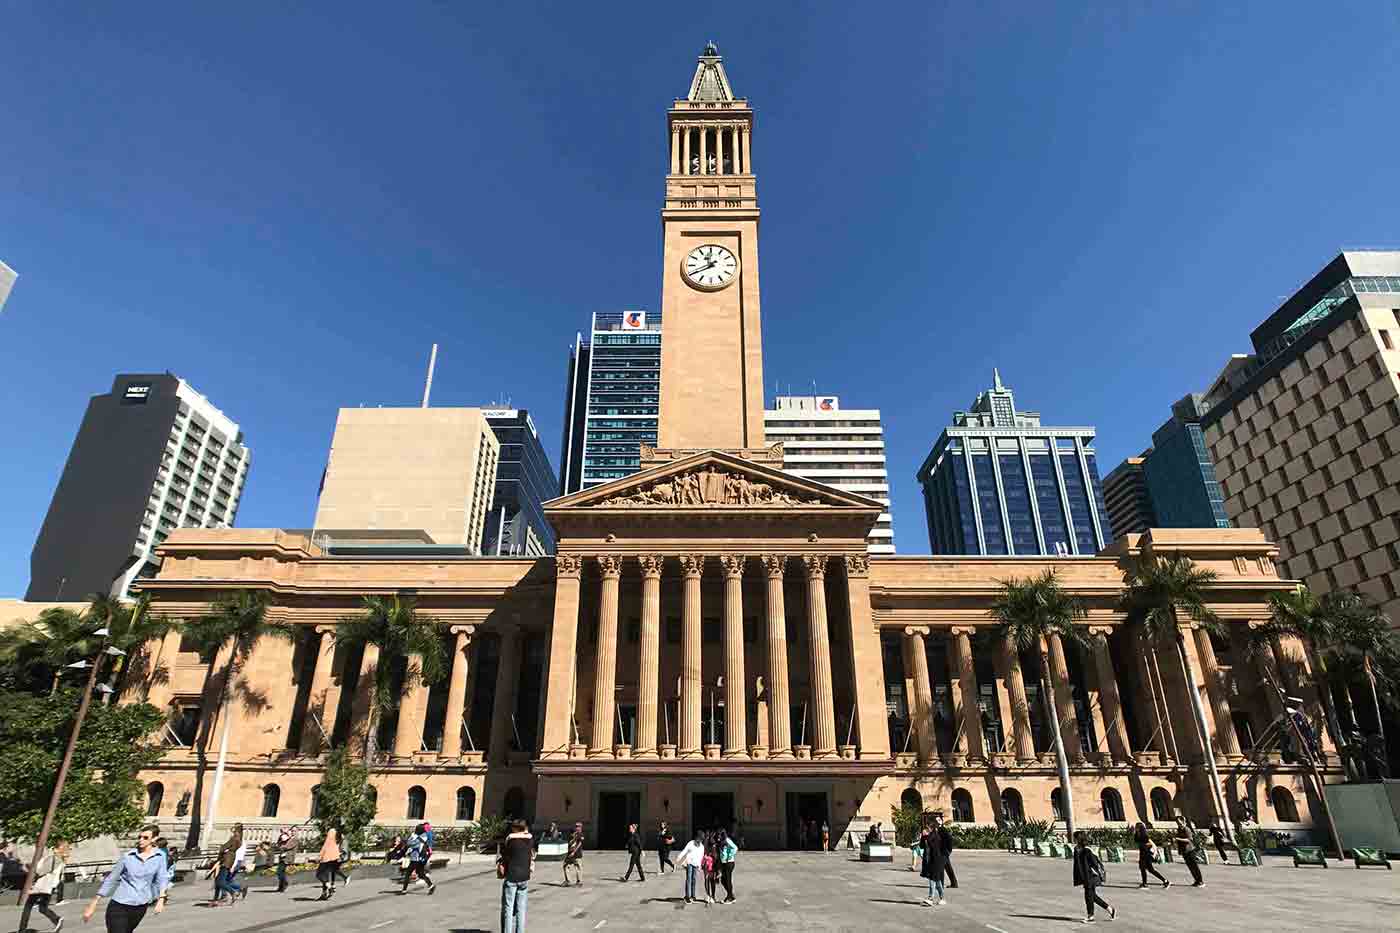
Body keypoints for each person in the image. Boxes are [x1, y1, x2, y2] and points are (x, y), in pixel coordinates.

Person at [82, 825, 169, 933]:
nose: (141, 840)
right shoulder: (128, 856)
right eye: (140, 837)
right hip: (119, 906)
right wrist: (93, 904)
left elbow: (162, 878)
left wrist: (161, 899)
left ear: (154, 839)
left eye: (145, 838)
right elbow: (111, 879)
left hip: (140, 906)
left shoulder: (160, 857)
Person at [21, 839, 69, 933]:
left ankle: (22, 929)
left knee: (28, 906)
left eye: (54, 847)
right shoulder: (60, 859)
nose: (52, 849)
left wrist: (30, 867)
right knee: (42, 908)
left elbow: (41, 871)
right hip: (48, 887)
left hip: (42, 886)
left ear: (57, 848)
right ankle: (56, 919)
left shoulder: (53, 858)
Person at [498, 820, 533, 933]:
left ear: (515, 828)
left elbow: (505, 855)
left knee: (508, 908)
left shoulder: (511, 840)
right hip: (524, 877)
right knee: (521, 909)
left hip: (512, 876)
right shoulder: (530, 839)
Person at [1072, 832, 1115, 923]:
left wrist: (1098, 875)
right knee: (1093, 896)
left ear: (1079, 839)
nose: (1074, 839)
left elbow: (1094, 864)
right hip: (1085, 877)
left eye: (1075, 838)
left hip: (1091, 876)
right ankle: (1110, 909)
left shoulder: (1087, 850)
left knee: (1088, 897)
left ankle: (1090, 917)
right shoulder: (1077, 849)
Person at [210, 824, 244, 906]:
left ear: (236, 829)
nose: (232, 829)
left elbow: (223, 847)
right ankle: (216, 899)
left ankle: (233, 892)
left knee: (220, 881)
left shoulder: (234, 838)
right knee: (218, 880)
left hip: (226, 861)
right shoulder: (239, 839)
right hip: (228, 860)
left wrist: (222, 848)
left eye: (234, 827)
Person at [917, 817, 947, 907]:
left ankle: (930, 898)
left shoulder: (935, 836)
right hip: (929, 861)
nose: (926, 829)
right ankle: (942, 898)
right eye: (926, 828)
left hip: (936, 861)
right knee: (937, 881)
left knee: (932, 880)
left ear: (931, 828)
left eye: (928, 828)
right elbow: (922, 846)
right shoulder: (927, 836)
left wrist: (926, 837)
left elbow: (933, 845)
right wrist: (923, 837)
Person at [399, 824, 436, 895]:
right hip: (420, 859)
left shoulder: (418, 839)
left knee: (407, 874)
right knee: (421, 874)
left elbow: (409, 843)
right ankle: (431, 886)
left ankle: (404, 890)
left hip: (415, 859)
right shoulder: (422, 837)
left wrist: (412, 837)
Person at [1133, 823, 1169, 889]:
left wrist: (1154, 853)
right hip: (1143, 854)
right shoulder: (1138, 835)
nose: (1136, 828)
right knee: (1150, 870)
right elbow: (1137, 842)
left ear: (1140, 828)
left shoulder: (1145, 836)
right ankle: (1165, 881)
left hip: (1147, 854)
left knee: (1143, 868)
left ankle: (1145, 884)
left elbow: (1152, 844)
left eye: (1137, 827)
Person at [675, 832, 705, 904]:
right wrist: (679, 858)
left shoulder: (702, 847)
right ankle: (687, 896)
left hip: (696, 864)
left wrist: (700, 866)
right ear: (696, 837)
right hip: (689, 863)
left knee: (694, 879)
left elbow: (701, 857)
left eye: (701, 839)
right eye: (699, 838)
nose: (700, 840)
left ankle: (693, 895)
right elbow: (685, 851)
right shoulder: (691, 843)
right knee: (689, 879)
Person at [1174, 817, 1204, 887]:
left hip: (1190, 850)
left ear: (1184, 822)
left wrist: (1178, 839)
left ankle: (1200, 881)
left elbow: (1189, 839)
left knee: (1194, 866)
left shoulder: (1187, 829)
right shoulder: (1179, 830)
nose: (1179, 824)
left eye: (1180, 823)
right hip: (1184, 851)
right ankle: (1196, 880)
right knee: (1190, 867)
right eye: (1177, 823)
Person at [316, 827, 342, 900]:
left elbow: (324, 849)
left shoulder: (329, 841)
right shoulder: (336, 842)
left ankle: (330, 888)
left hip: (326, 860)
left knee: (319, 875)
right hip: (333, 860)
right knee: (326, 877)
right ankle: (324, 894)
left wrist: (319, 857)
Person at [934, 813, 958, 889]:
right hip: (942, 852)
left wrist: (948, 850)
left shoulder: (943, 829)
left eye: (938, 820)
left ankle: (941, 884)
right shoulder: (937, 830)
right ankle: (954, 883)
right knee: (948, 867)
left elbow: (949, 839)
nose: (937, 822)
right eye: (936, 821)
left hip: (944, 852)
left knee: (940, 868)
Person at [273, 826, 297, 893]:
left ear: (296, 832)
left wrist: (280, 846)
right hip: (282, 857)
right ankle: (281, 886)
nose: (293, 832)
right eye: (292, 831)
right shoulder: (287, 838)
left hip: (288, 858)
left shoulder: (295, 839)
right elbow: (279, 843)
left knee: (281, 872)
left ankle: (284, 884)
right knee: (279, 872)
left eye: (294, 831)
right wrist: (282, 836)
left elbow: (287, 847)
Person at [717, 828, 737, 904]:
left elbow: (735, 848)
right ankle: (731, 896)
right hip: (724, 863)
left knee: (727, 880)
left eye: (719, 834)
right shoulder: (721, 841)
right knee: (723, 880)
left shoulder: (727, 840)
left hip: (729, 863)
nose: (718, 836)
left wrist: (730, 855)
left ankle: (729, 898)